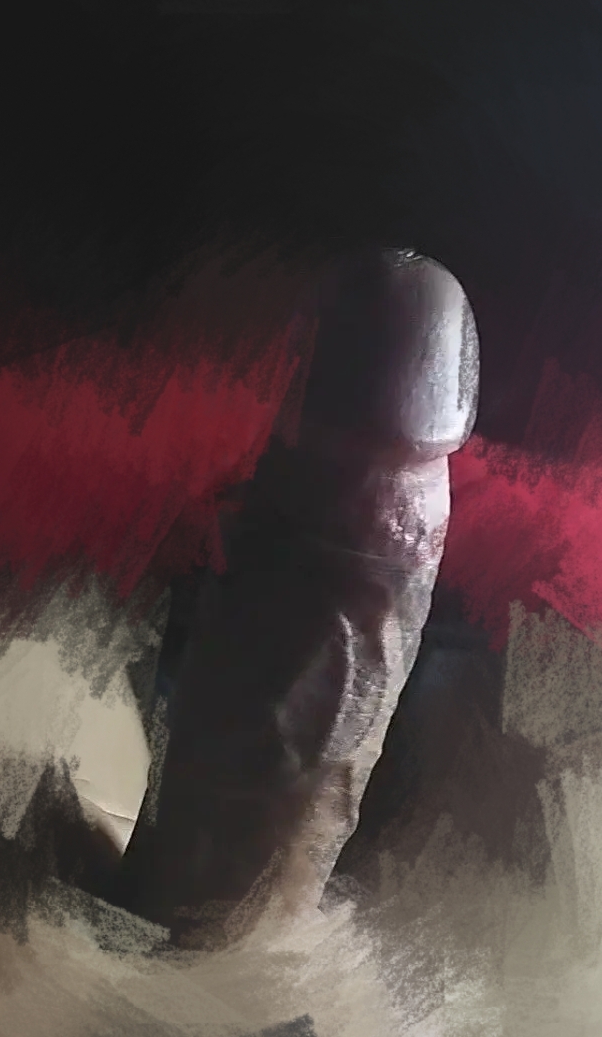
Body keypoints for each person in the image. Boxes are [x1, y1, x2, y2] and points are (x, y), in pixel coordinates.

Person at [116, 248, 479, 945]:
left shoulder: (370, 479)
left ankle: (211, 922)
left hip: (345, 527)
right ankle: (213, 922)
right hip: (331, 521)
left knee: (283, 776)